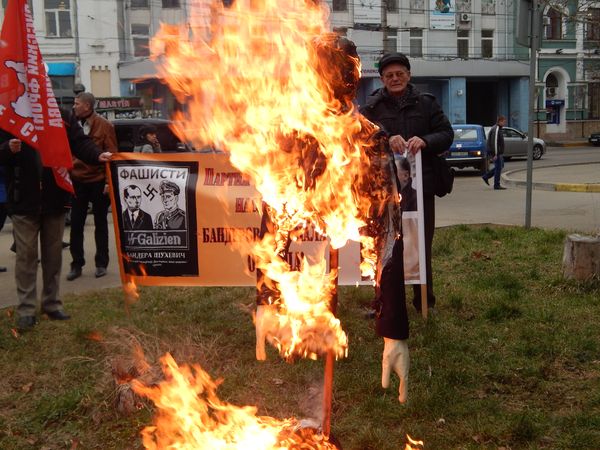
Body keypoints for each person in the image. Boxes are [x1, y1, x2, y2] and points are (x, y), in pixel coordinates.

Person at [0, 109, 112, 331]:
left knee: (53, 255)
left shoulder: (60, 116)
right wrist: (6, 149)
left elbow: (80, 143)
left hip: (55, 197)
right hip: (23, 200)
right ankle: (26, 309)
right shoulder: (11, 115)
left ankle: (52, 304)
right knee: (26, 256)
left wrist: (98, 155)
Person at [360, 52, 454, 314]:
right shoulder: (372, 107)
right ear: (381, 79)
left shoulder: (426, 104)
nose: (395, 78)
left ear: (409, 75)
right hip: (384, 189)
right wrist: (385, 139)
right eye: (389, 75)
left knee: (419, 243)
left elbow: (446, 134)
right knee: (384, 245)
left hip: (419, 188)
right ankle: (383, 302)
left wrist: (425, 141)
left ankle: (424, 301)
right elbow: (361, 137)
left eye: (399, 73)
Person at [66, 92, 118, 281]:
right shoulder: (71, 124)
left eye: (77, 103)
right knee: (76, 224)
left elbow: (112, 154)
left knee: (101, 223)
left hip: (98, 181)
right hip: (78, 180)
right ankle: (76, 264)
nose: (74, 106)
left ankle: (101, 263)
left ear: (87, 106)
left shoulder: (105, 125)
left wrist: (107, 183)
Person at [482, 115, 506, 190]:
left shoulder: (497, 128)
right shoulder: (496, 129)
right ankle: (496, 185)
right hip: (496, 152)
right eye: (503, 121)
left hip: (497, 152)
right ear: (500, 121)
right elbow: (494, 142)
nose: (504, 123)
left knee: (500, 165)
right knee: (498, 167)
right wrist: (495, 154)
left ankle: (486, 176)